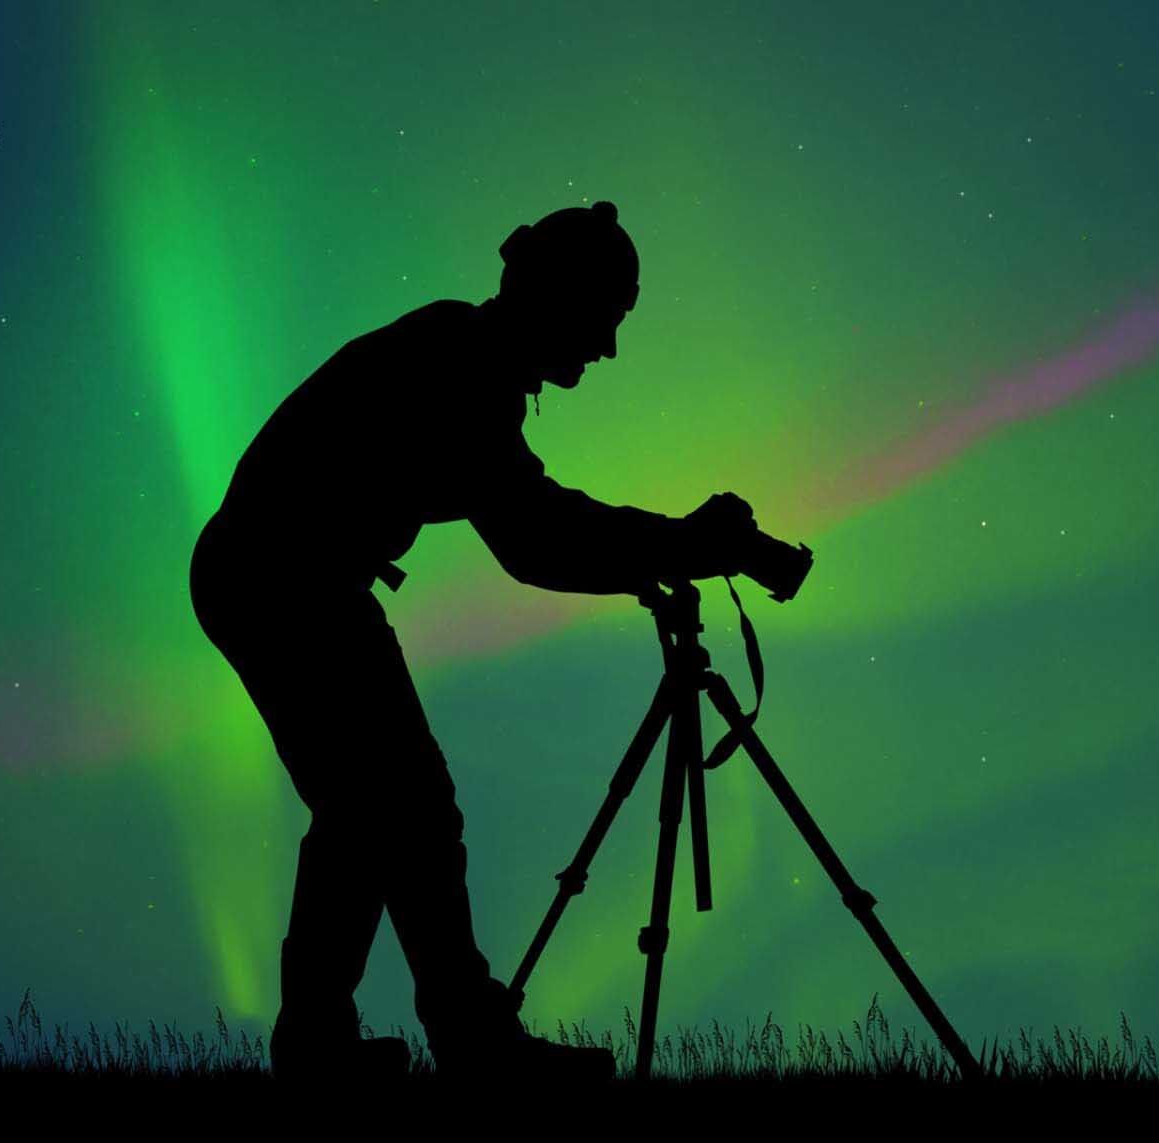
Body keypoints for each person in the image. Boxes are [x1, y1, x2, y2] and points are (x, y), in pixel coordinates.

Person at [188, 200, 759, 1085]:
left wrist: (664, 546)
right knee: (390, 802)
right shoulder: (465, 363)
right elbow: (533, 536)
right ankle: (445, 1040)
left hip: (290, 577)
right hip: (281, 578)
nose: (607, 348)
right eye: (606, 319)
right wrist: (683, 541)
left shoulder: (467, 357)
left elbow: (536, 528)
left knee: (378, 806)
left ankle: (347, 1043)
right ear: (561, 298)